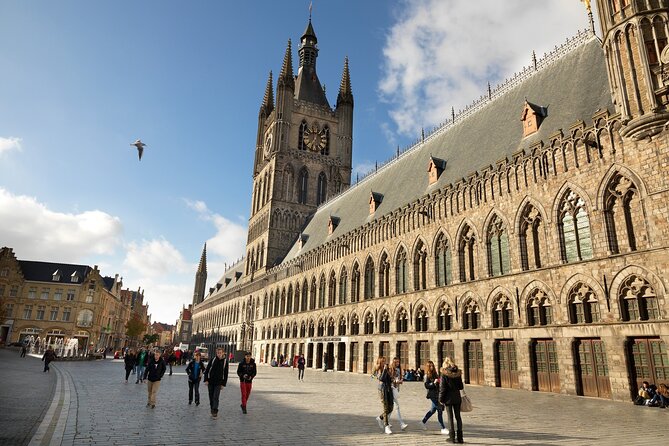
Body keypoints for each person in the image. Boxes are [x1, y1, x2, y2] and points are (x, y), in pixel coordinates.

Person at [439, 357, 464, 443]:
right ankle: (460, 438)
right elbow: (461, 387)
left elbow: (442, 388)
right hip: (457, 398)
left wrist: (440, 399)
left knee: (450, 418)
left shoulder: (444, 374)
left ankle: (452, 437)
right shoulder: (458, 373)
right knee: (458, 417)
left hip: (448, 399)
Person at [420, 360, 448, 434]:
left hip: (437, 394)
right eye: (430, 366)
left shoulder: (435, 374)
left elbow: (439, 383)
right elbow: (426, 386)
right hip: (432, 395)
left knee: (432, 411)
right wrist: (434, 383)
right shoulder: (426, 376)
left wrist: (439, 381)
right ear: (428, 367)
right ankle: (443, 428)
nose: (432, 367)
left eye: (432, 366)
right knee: (439, 409)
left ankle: (422, 422)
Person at [203, 347, 229, 419]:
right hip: (211, 381)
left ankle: (215, 410)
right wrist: (206, 380)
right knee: (211, 396)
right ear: (216, 353)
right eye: (218, 353)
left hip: (218, 382)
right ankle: (212, 408)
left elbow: (225, 374)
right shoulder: (213, 360)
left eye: (220, 353)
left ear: (223, 353)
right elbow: (207, 370)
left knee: (216, 396)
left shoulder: (225, 362)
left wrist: (223, 384)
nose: (219, 354)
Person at [373, 356, 394, 434]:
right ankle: (386, 426)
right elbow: (381, 379)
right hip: (382, 390)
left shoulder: (387, 369)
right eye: (382, 362)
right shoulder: (378, 370)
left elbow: (389, 379)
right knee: (385, 408)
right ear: (379, 362)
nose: (384, 363)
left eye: (385, 361)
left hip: (389, 390)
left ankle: (380, 418)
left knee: (391, 408)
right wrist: (385, 370)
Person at [390, 357, 408, 431]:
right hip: (391, 389)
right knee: (397, 406)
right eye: (396, 362)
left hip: (396, 389)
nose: (397, 363)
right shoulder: (391, 369)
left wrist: (400, 381)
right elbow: (390, 379)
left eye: (398, 362)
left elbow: (398, 378)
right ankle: (401, 424)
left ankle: (382, 419)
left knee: (390, 407)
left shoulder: (399, 369)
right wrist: (396, 381)